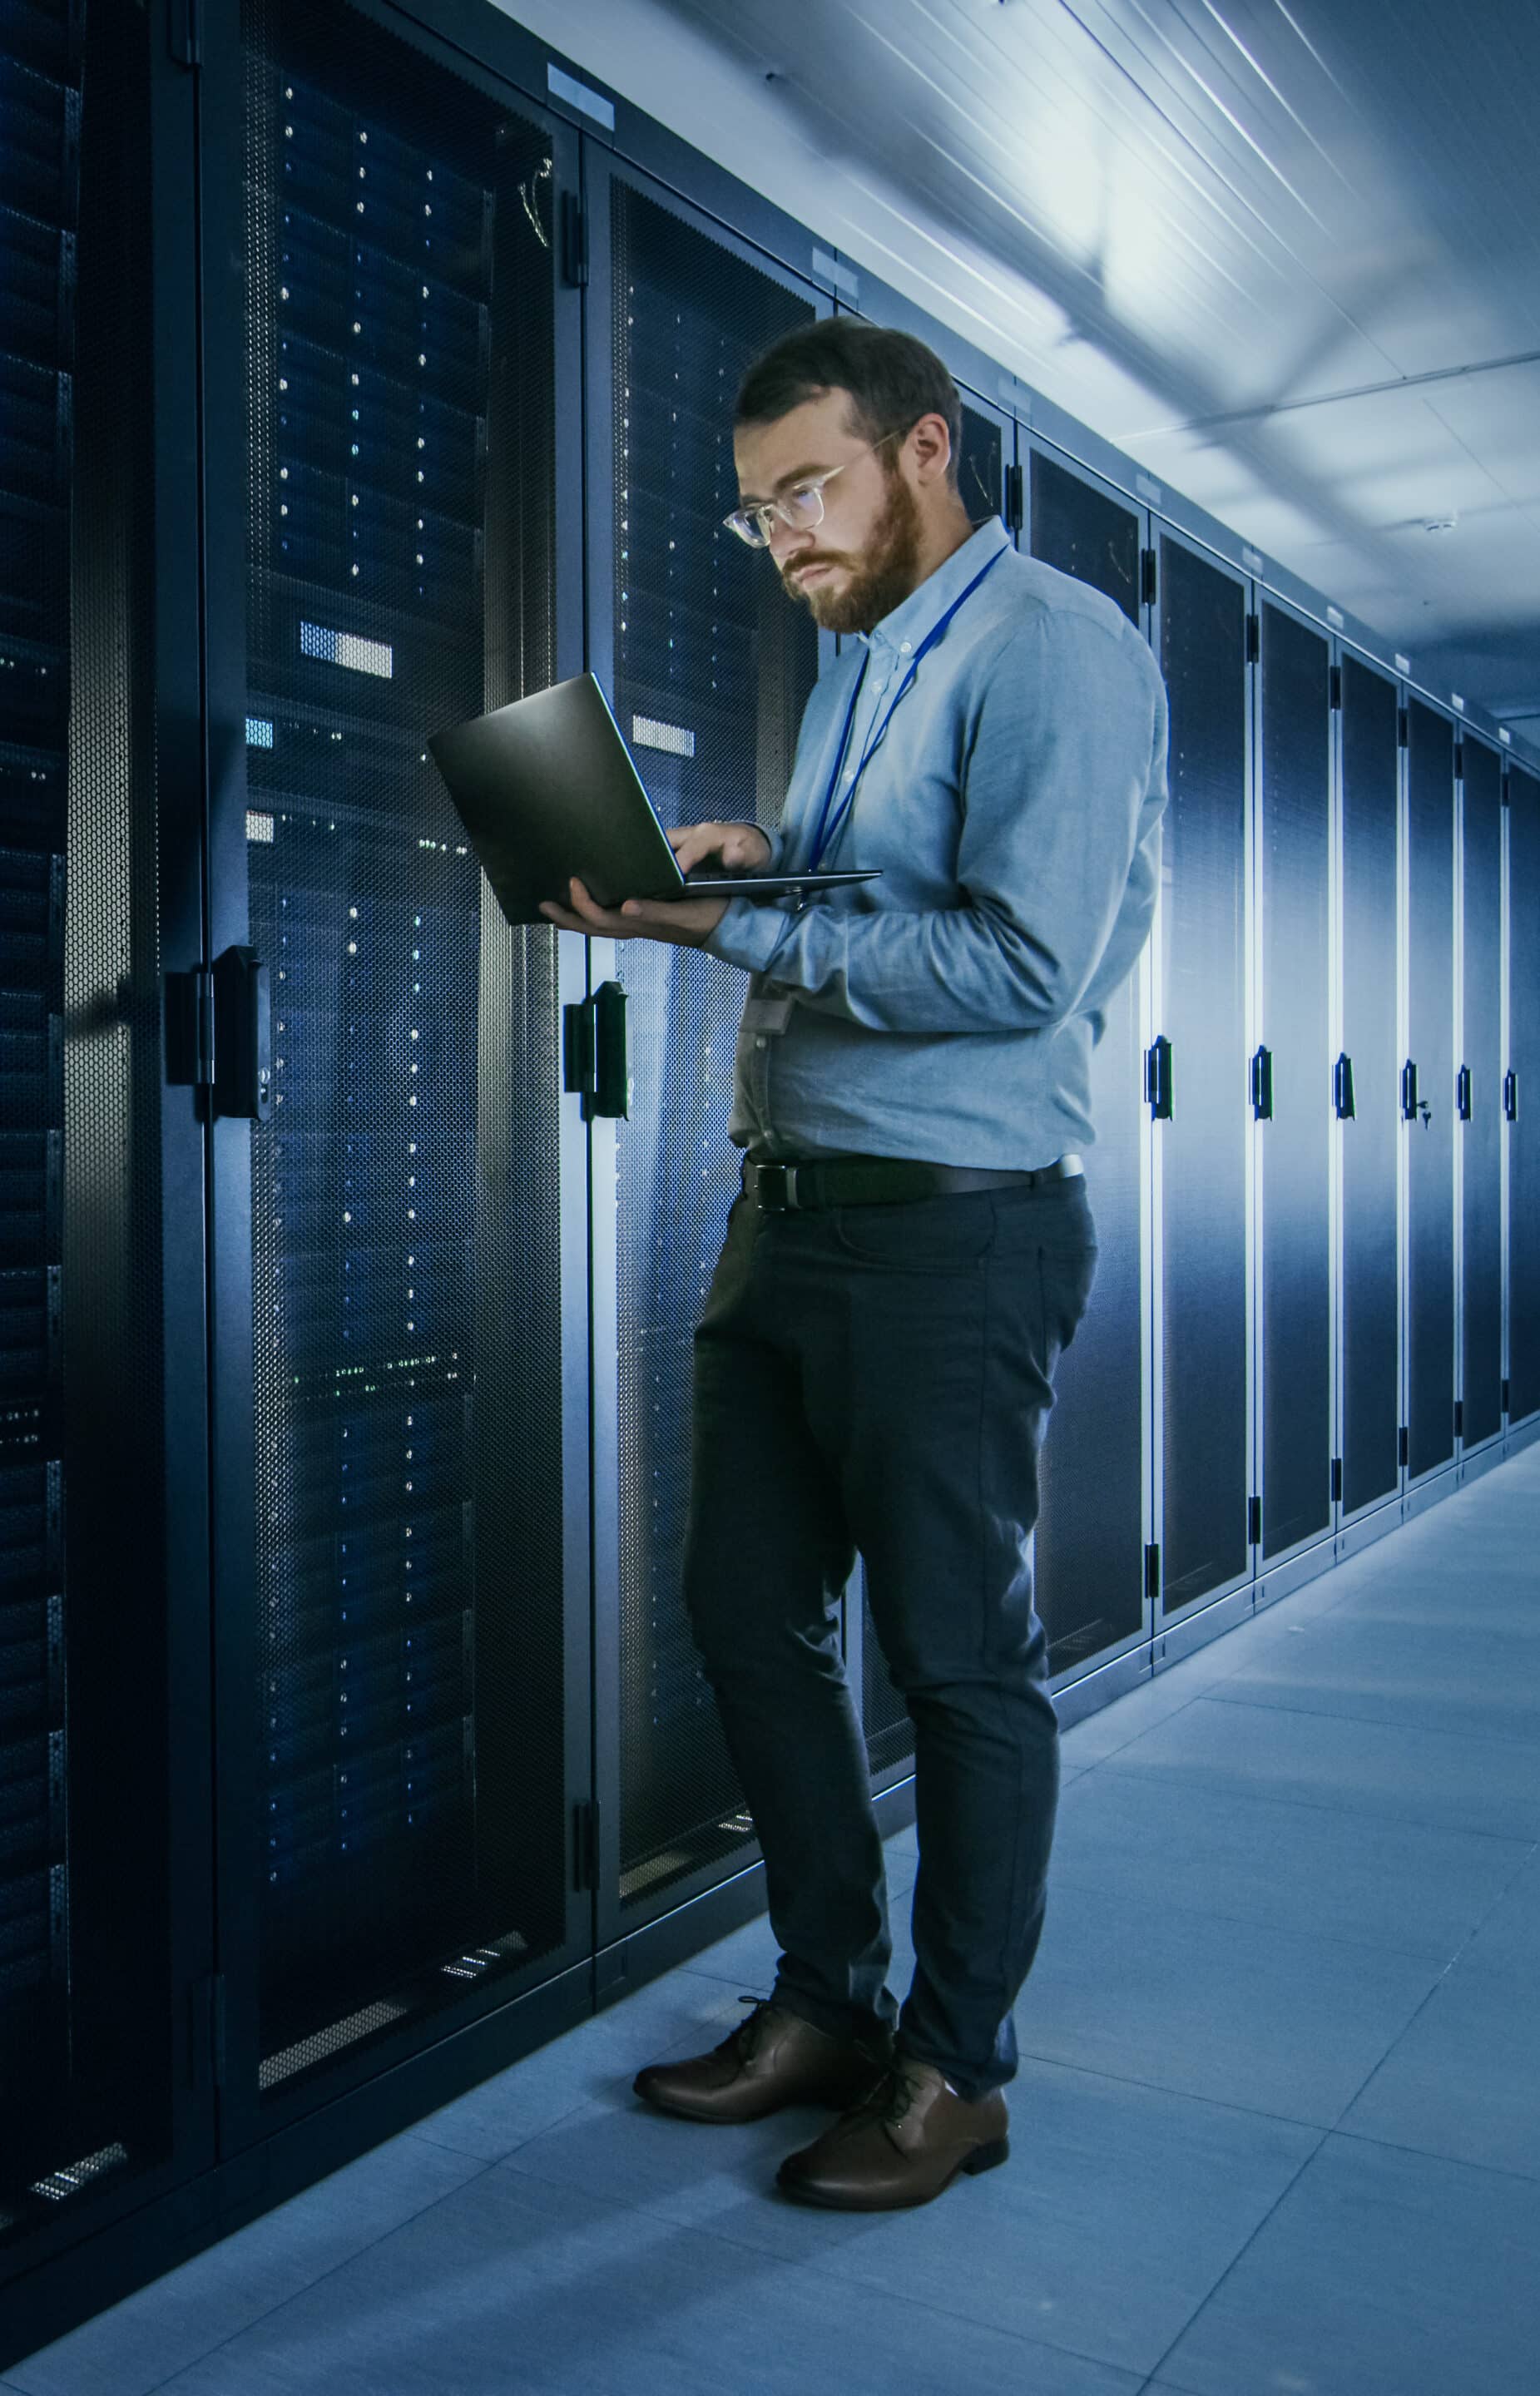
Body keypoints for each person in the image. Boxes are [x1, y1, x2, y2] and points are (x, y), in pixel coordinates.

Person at [540, 320, 1169, 2212]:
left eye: (806, 490)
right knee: (745, 1617)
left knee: (957, 1663)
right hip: (789, 1217)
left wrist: (725, 924)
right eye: (755, 516)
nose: (785, 538)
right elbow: (881, 902)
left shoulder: (1049, 646)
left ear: (921, 449)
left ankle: (951, 2075)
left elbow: (1015, 968)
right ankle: (826, 1997)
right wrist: (767, 856)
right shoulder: (858, 665)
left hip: (952, 1238)